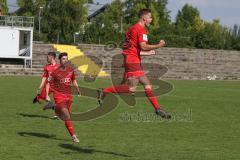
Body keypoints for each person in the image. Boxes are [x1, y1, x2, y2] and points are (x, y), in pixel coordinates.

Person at [98, 9, 171, 119]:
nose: (151, 19)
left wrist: (147, 53)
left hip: (131, 59)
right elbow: (143, 46)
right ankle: (105, 91)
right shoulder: (141, 30)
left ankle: (158, 109)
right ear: (144, 18)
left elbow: (131, 49)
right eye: (150, 17)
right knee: (131, 89)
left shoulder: (131, 29)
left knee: (147, 84)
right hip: (133, 61)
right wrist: (159, 45)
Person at [46, 52, 81, 143]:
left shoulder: (70, 70)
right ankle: (73, 136)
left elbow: (73, 79)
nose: (65, 60)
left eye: (66, 59)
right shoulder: (55, 72)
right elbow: (48, 82)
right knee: (67, 115)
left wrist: (78, 89)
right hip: (59, 96)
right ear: (60, 60)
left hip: (68, 96)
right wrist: (46, 94)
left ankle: (53, 106)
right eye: (63, 59)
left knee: (65, 118)